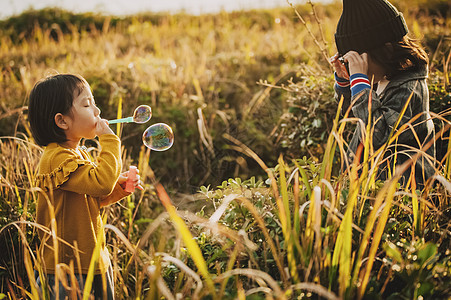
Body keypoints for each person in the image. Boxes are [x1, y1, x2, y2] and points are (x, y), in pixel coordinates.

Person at [28, 73, 142, 299]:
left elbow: (94, 198)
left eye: (94, 103)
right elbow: (100, 183)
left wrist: (119, 187)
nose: (97, 111)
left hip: (91, 261)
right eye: (87, 104)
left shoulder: (76, 153)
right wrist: (109, 140)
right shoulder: (56, 158)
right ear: (62, 121)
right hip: (67, 269)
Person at [329, 0, 435, 189]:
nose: (355, 67)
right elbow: (353, 116)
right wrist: (347, 82)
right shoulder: (381, 79)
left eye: (359, 59)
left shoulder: (408, 89)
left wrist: (360, 83)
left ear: (385, 49)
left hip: (400, 196)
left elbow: (378, 138)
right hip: (372, 189)